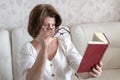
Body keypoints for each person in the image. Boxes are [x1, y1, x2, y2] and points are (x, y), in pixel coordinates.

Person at [19, 4, 103, 80]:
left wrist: (90, 73)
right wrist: (44, 48)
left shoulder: (63, 41)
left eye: (53, 25)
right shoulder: (27, 49)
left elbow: (79, 68)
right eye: (45, 25)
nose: (51, 29)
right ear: (35, 26)